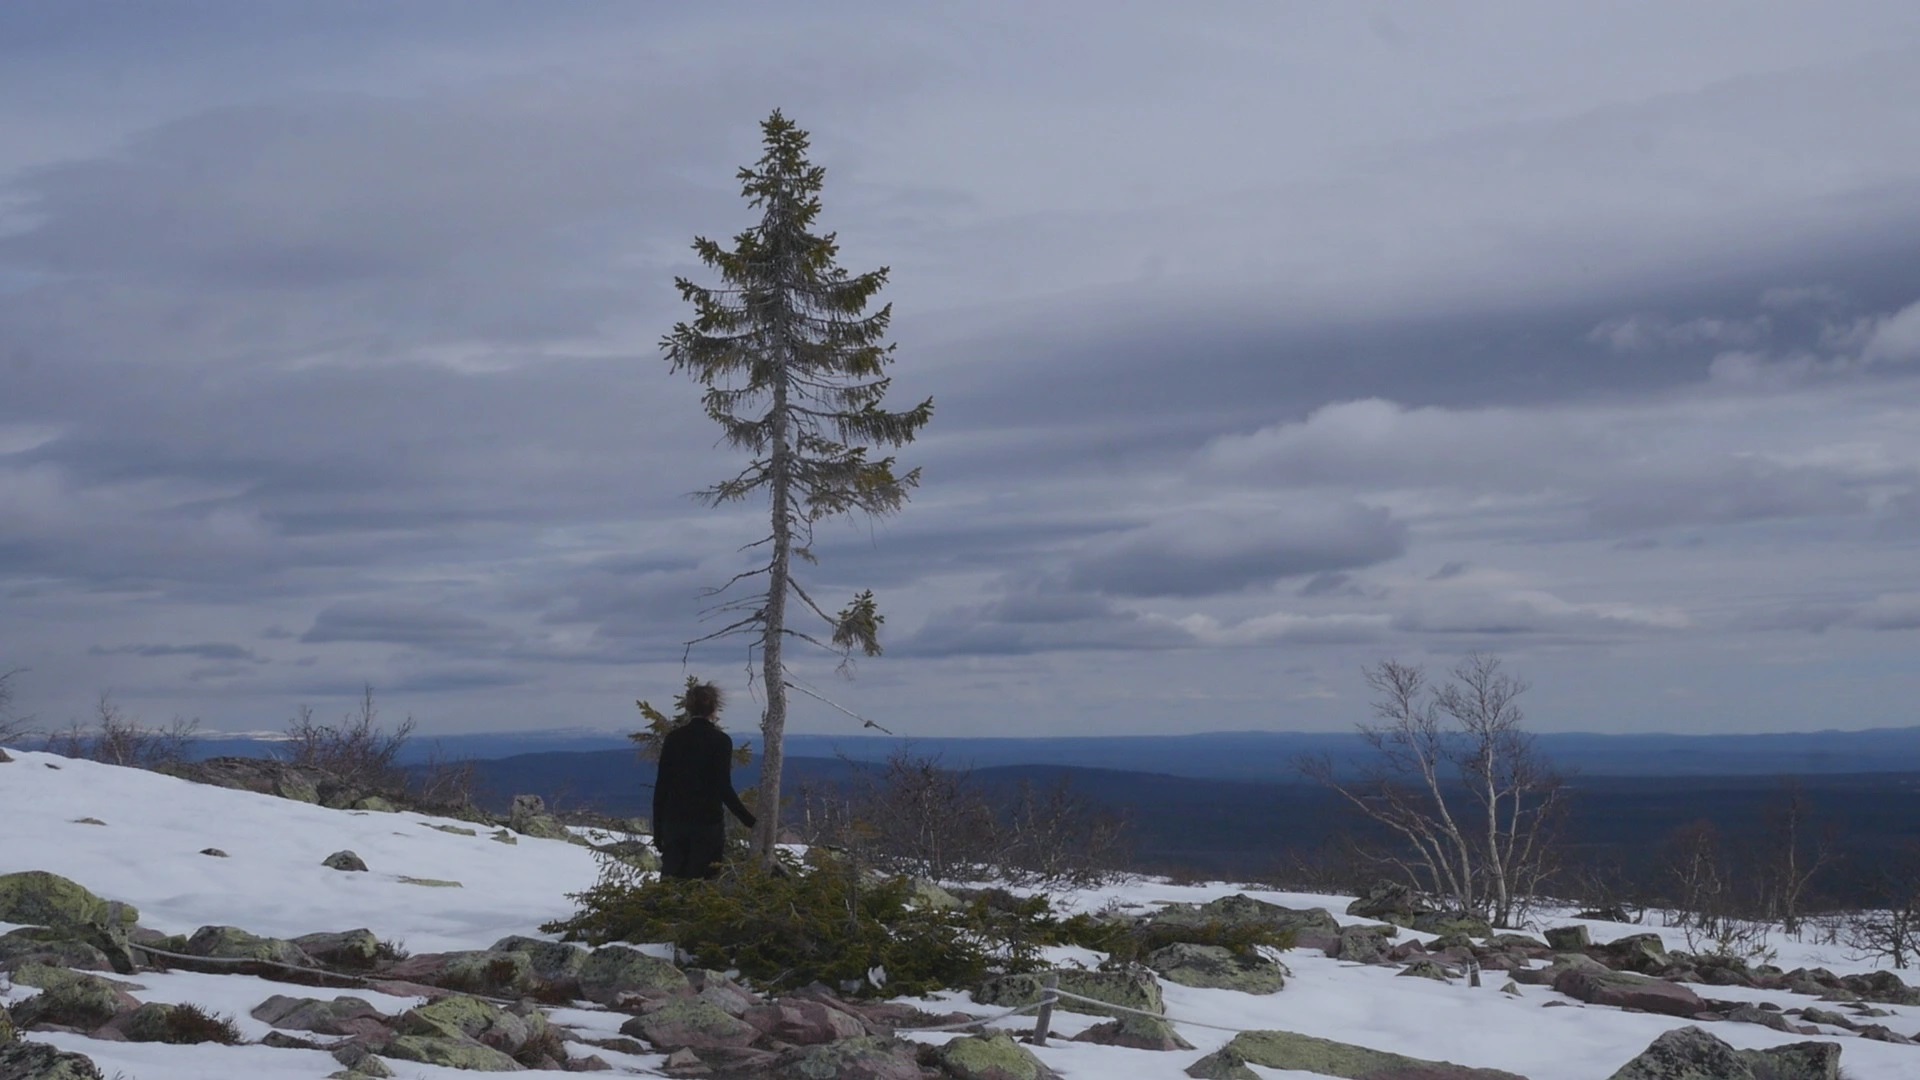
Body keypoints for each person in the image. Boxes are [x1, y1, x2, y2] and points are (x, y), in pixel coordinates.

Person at [651, 682, 756, 879]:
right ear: (715, 709)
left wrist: (658, 829)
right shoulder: (721, 741)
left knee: (672, 883)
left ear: (689, 708)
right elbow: (723, 787)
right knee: (704, 886)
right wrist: (750, 821)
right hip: (707, 825)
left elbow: (662, 786)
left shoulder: (674, 738)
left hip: (674, 823)